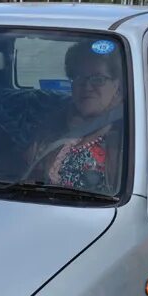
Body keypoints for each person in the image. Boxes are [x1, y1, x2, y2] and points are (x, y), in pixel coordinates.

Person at [25, 40, 125, 193]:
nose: (86, 86)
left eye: (98, 79)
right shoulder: (52, 125)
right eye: (79, 78)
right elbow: (28, 179)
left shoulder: (133, 130)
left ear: (117, 86)